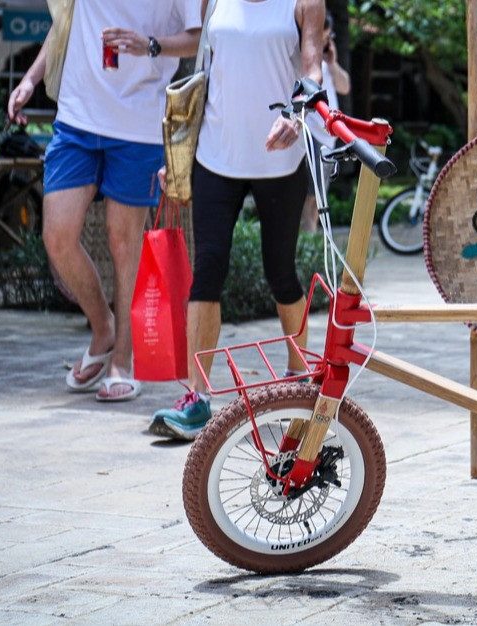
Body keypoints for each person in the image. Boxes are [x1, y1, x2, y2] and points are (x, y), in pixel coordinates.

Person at [149, 0, 328, 440]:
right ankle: (197, 398)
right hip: (215, 154)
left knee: (280, 271)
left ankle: (298, 374)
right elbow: (203, 75)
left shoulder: (305, 3)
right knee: (208, 268)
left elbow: (313, 70)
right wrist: (177, 154)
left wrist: (296, 114)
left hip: (279, 159)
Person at [7, 1, 202, 402]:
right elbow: (67, 25)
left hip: (138, 123)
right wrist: (30, 79)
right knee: (57, 237)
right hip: (77, 117)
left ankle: (122, 362)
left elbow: (196, 40)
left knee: (123, 243)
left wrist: (148, 45)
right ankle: (103, 328)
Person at [300, 11, 351, 233]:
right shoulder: (301, 58)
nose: (325, 43)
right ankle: (306, 243)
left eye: (328, 39)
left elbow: (345, 86)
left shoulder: (327, 63)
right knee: (308, 197)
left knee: (318, 199)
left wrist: (333, 63)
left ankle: (310, 243)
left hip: (328, 138)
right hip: (309, 133)